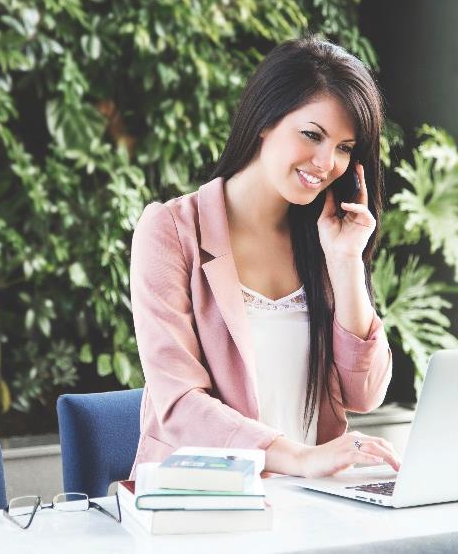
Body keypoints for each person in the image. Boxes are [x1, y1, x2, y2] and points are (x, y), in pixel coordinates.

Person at [128, 35, 400, 479]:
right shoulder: (172, 230)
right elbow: (178, 404)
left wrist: (347, 263)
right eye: (312, 135)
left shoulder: (325, 238)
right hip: (204, 503)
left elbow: (365, 394)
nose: (326, 162)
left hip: (312, 507)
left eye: (345, 147)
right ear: (264, 121)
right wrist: (298, 457)